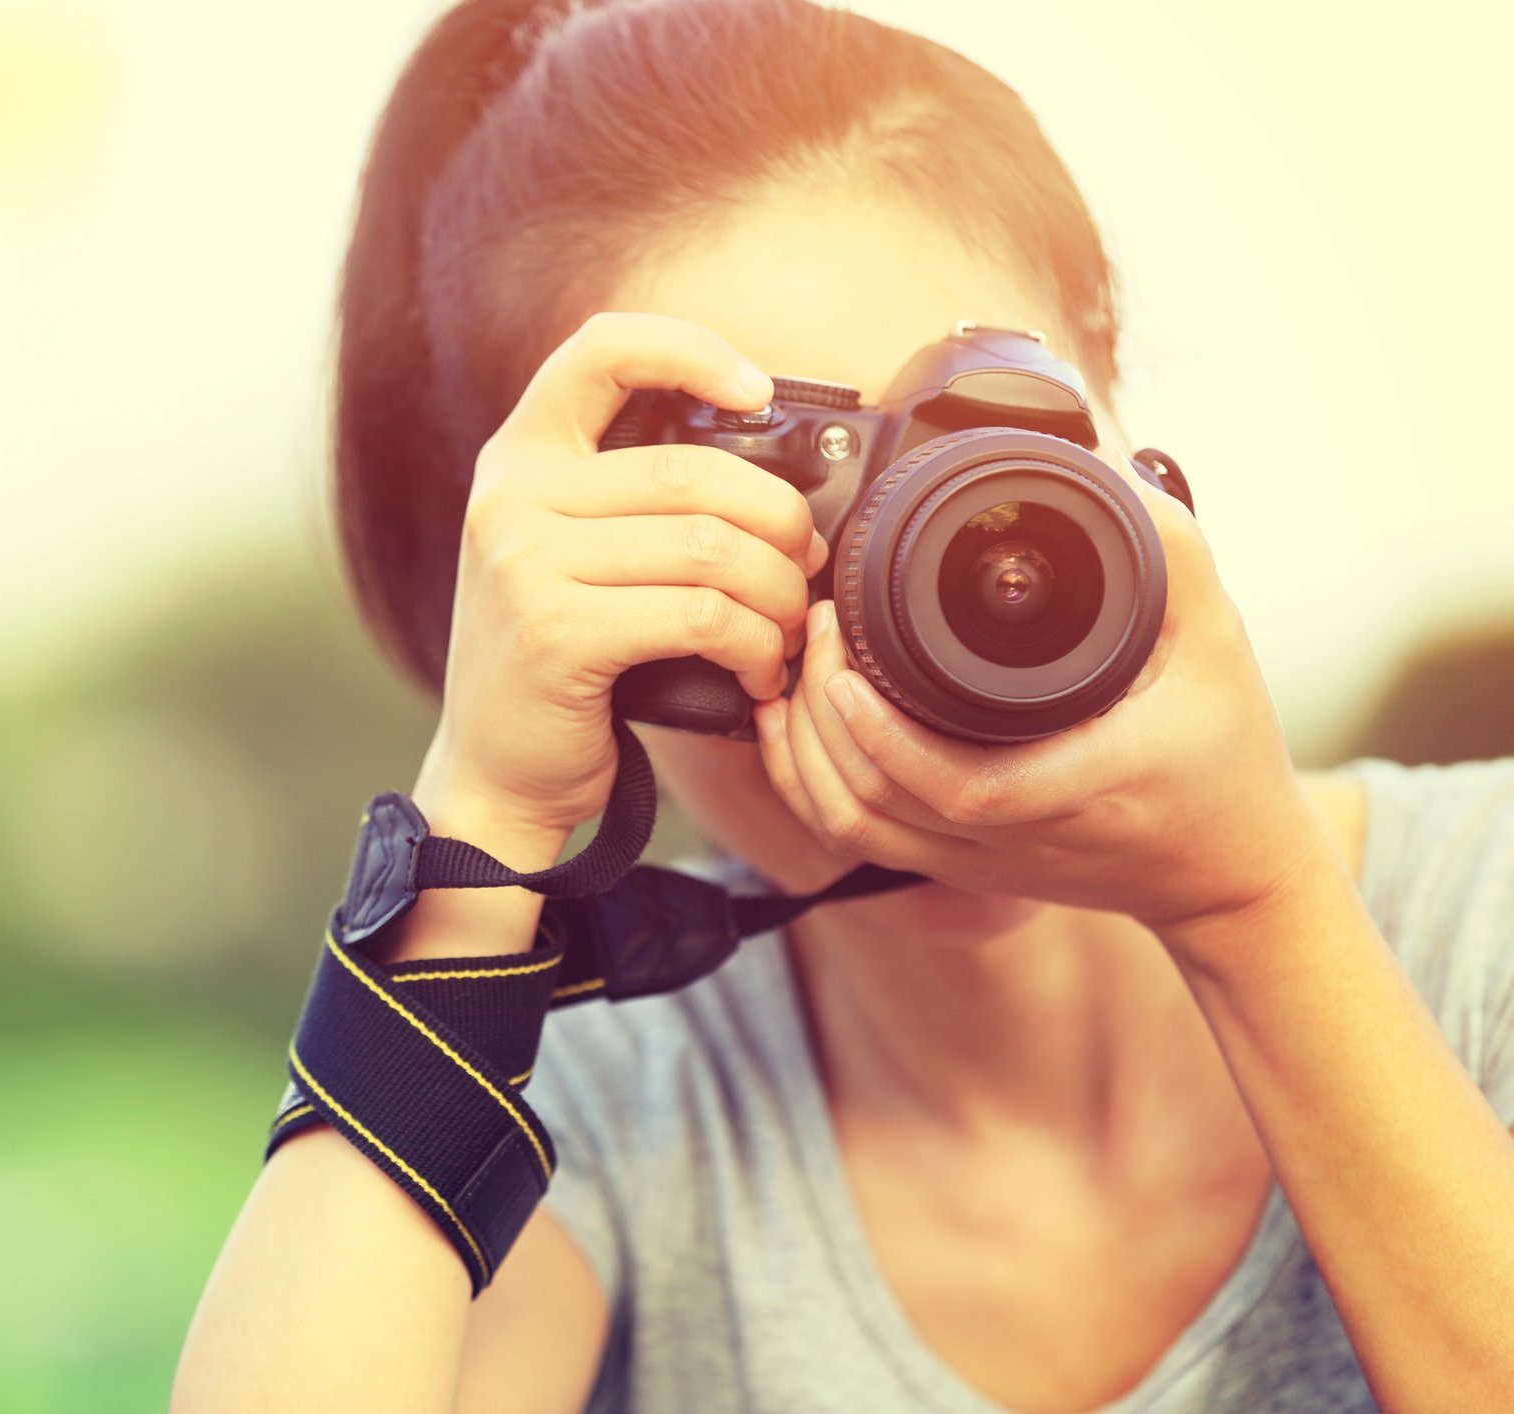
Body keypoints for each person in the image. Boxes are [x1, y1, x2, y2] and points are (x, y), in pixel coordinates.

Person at [172, 1, 1514, 1410]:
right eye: (742, 518)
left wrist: (1254, 903)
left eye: (980, 463)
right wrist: (480, 822)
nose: (901, 627)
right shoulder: (614, 1100)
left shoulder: (1481, 911)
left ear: (1118, 414)